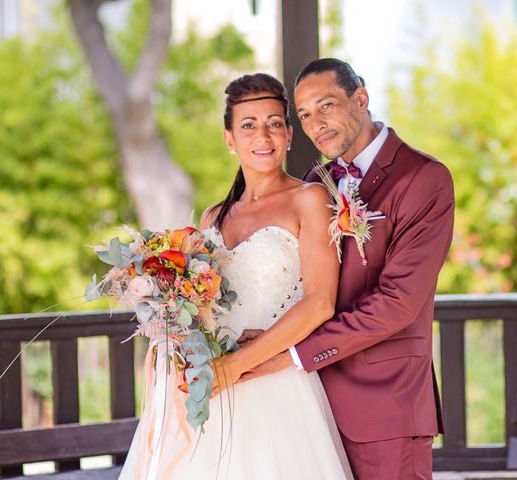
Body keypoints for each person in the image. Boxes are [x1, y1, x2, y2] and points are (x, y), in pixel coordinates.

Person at [117, 73, 353, 480]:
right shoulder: (213, 217)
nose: (263, 135)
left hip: (273, 386)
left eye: (274, 123)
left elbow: (320, 304)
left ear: (289, 134)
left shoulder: (310, 199)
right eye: (248, 125)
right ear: (229, 139)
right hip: (210, 386)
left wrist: (237, 366)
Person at [240, 58, 455, 480]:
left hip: (385, 408)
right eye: (303, 115)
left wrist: (293, 355)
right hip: (308, 409)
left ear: (361, 98)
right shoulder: (313, 182)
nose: (316, 124)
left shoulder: (424, 178)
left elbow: (397, 303)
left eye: (326, 106)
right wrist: (265, 336)